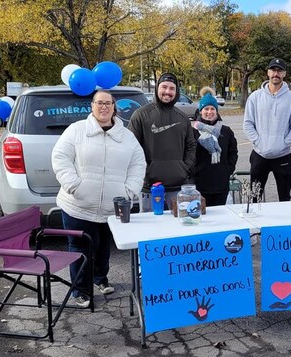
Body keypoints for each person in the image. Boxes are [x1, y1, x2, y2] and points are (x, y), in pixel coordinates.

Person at [52, 89, 146, 308]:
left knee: (103, 247)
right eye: (99, 103)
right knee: (79, 247)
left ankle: (100, 279)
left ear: (114, 107)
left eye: (108, 103)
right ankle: (80, 290)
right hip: (78, 205)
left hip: (112, 207)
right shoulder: (76, 131)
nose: (104, 107)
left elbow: (138, 164)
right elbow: (60, 157)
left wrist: (129, 191)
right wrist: (74, 185)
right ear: (92, 106)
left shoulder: (127, 137)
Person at [128, 73, 196, 210]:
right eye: (164, 87)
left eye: (172, 88)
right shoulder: (141, 115)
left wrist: (184, 168)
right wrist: (144, 172)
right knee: (151, 229)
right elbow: (131, 148)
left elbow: (191, 146)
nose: (167, 92)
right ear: (157, 88)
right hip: (150, 188)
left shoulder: (182, 118)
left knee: (178, 229)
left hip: (178, 187)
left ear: (176, 92)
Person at [243, 58, 291, 201]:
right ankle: (256, 223)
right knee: (254, 197)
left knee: (284, 197)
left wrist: (283, 144)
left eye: (279, 71)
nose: (276, 73)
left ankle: (284, 223)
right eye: (273, 70)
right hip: (259, 155)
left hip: (282, 156)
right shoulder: (255, 97)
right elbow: (248, 123)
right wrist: (258, 142)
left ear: (284, 74)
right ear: (268, 72)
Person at [192, 88, 238, 206]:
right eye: (206, 109)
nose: (209, 112)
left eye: (212, 108)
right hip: (200, 184)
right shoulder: (193, 132)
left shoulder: (226, 131)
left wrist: (228, 170)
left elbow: (233, 153)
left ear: (217, 111)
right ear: (200, 111)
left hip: (220, 183)